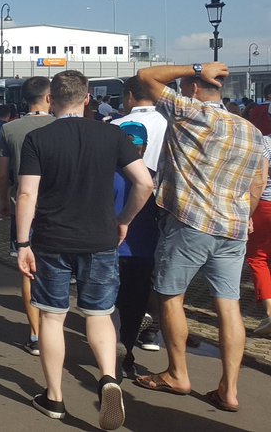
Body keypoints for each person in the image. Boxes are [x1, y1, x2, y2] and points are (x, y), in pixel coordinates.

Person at [15, 70, 152, 429]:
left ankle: (55, 397)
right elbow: (144, 182)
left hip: (52, 240)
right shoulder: (112, 134)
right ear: (87, 97)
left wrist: (22, 242)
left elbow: (27, 194)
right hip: (101, 238)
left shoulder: (38, 138)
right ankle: (108, 377)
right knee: (99, 315)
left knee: (52, 317)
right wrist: (124, 219)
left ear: (51, 99)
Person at [134, 63, 266, 413]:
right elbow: (257, 182)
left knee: (170, 295)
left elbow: (146, 76)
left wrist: (195, 67)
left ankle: (177, 373)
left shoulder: (190, 113)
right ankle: (230, 388)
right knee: (229, 304)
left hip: (190, 223)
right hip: (234, 227)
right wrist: (245, 215)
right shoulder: (250, 130)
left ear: (193, 88)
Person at [0, 76, 54, 356]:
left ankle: (35, 334)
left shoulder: (9, 129)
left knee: (27, 272)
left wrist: (3, 200)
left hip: (23, 207)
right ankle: (57, 330)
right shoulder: (61, 125)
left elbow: (3, 173)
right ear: (49, 96)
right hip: (59, 209)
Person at [111, 76, 169, 351]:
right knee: (148, 280)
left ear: (130, 96)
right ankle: (149, 332)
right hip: (151, 224)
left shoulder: (113, 126)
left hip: (117, 228)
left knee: (117, 289)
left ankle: (116, 340)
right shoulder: (170, 124)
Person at [112, 122, 160, 379]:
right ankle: (127, 353)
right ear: (145, 148)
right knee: (135, 307)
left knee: (110, 305)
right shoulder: (154, 176)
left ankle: (112, 351)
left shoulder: (106, 174)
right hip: (144, 251)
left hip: (111, 249)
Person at [248, 133, 271, 337]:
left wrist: (248, 212)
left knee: (257, 258)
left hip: (266, 206)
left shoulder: (266, 143)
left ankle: (270, 311)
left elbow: (260, 179)